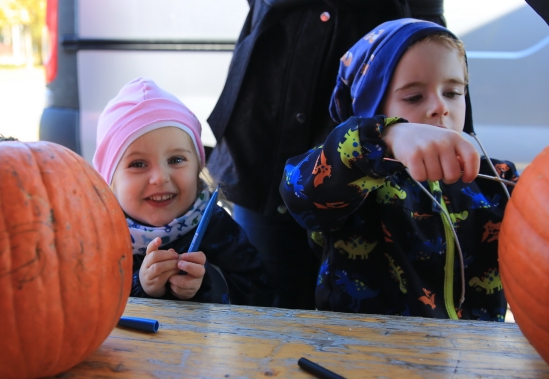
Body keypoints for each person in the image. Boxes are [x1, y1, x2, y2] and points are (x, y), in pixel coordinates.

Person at [206, 0, 446, 310]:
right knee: (268, 303)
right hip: (270, 111)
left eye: (454, 93)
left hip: (390, 50)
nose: (442, 104)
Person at [279, 19, 519, 321]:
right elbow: (299, 192)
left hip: (474, 355)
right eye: (414, 97)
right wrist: (385, 139)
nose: (440, 107)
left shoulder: (498, 180)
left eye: (453, 93)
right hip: (364, 355)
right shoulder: (356, 182)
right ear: (371, 110)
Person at [93, 77, 274, 306]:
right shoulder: (99, 239)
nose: (160, 177)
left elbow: (261, 298)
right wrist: (140, 285)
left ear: (198, 167)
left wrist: (205, 283)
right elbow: (87, 303)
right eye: (138, 164)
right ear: (110, 180)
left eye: (176, 159)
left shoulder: (218, 229)